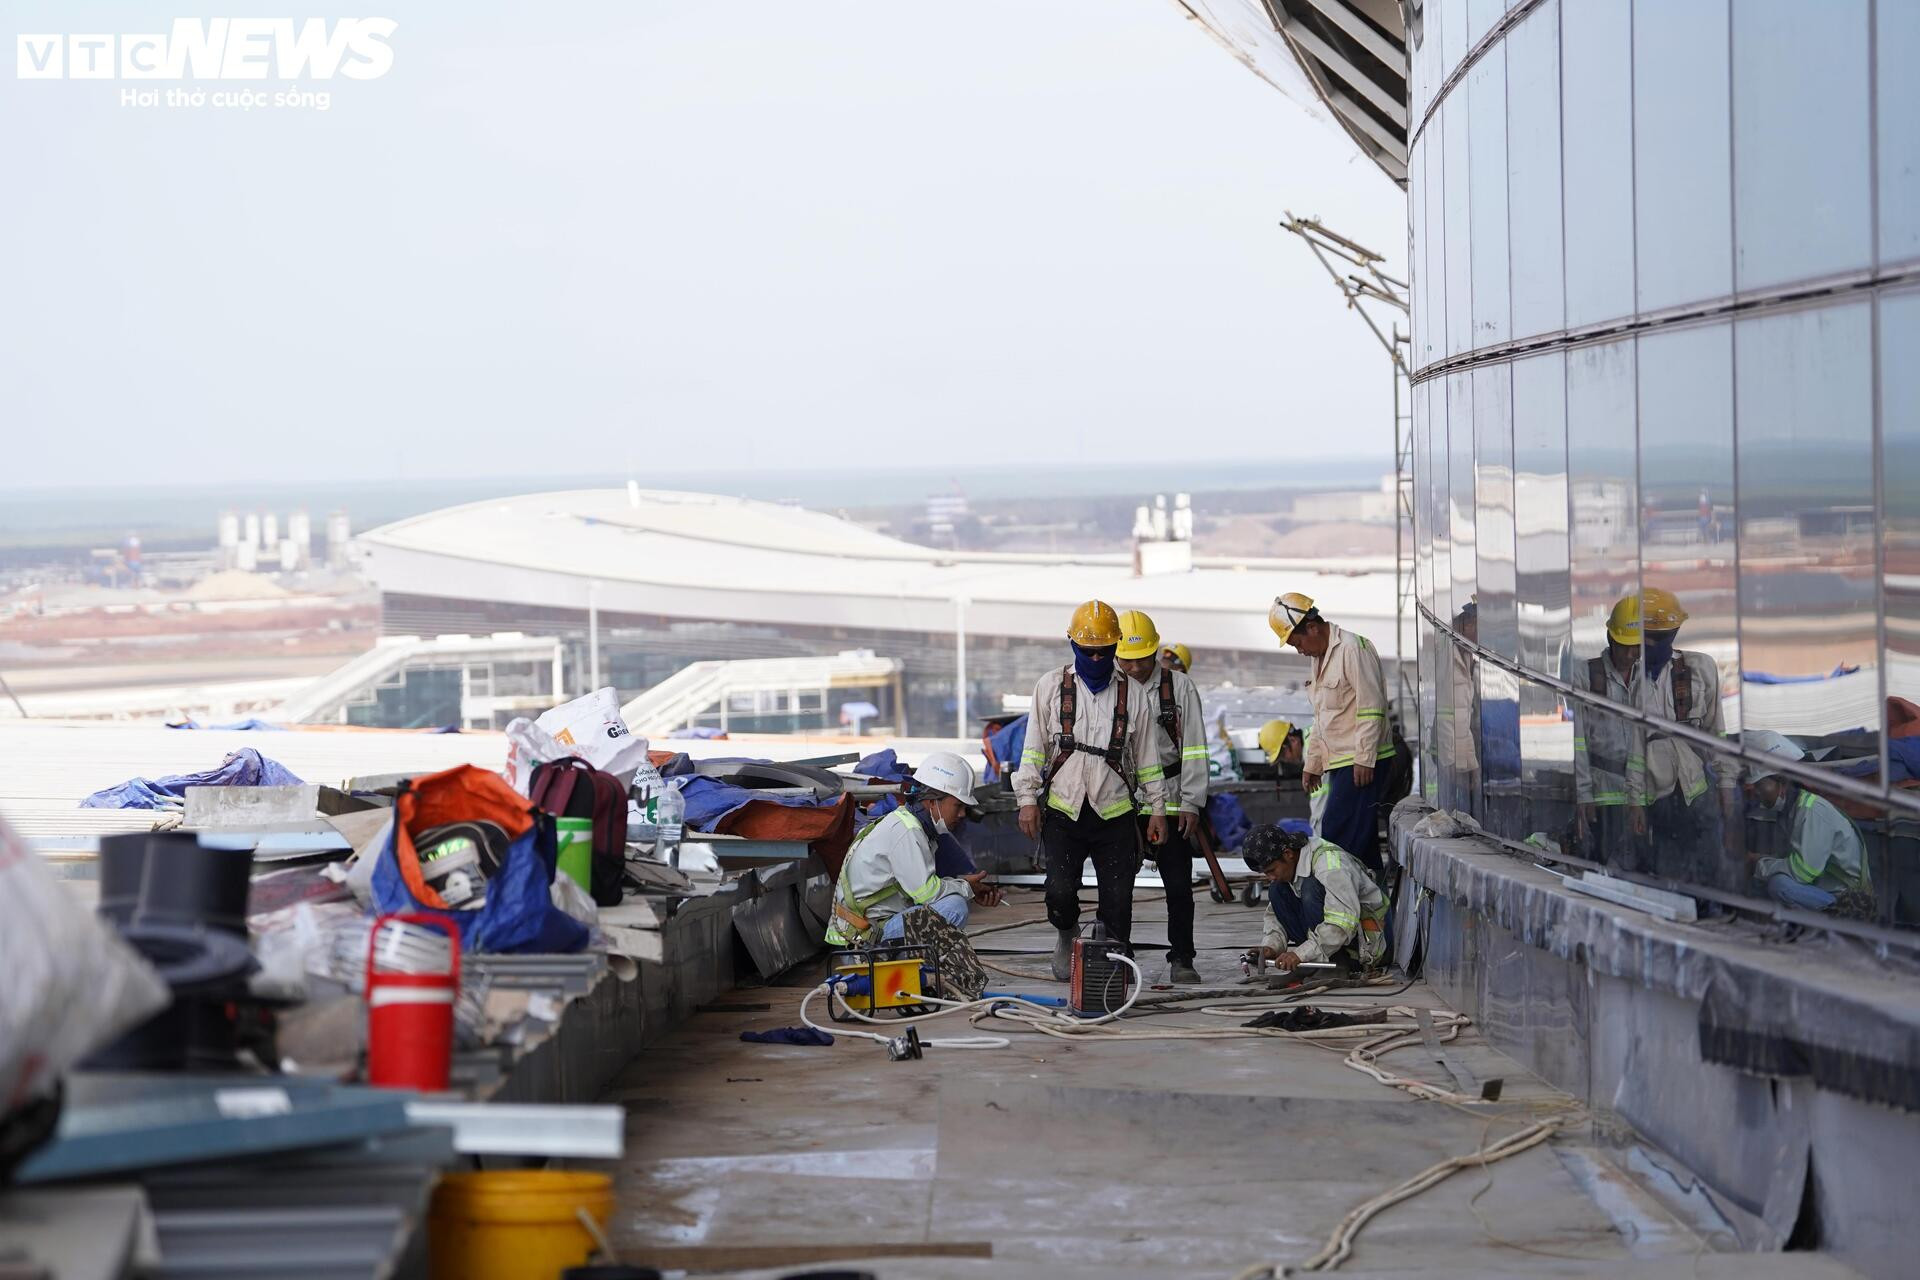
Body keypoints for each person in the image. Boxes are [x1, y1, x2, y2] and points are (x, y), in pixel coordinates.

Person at [1013, 599, 1170, 980]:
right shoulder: (1050, 687)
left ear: (1115, 648)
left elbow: (1147, 758)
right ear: (1073, 646)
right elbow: (1034, 748)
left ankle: (1112, 968)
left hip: (1114, 813)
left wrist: (1158, 809)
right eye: (1089, 652)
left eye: (1105, 652)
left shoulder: (1132, 695)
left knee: (1118, 901)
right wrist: (1027, 800)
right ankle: (1067, 934)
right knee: (1060, 892)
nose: (1097, 659)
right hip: (1064, 810)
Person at [1268, 592, 1396, 874]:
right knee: (1360, 842)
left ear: (1312, 627)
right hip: (1341, 761)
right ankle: (1375, 907)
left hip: (1361, 760)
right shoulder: (1321, 657)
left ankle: (1343, 904)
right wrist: (1313, 764)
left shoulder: (1352, 649)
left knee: (1339, 835)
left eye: (1297, 642)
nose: (1300, 650)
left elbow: (1371, 706)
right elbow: (1322, 718)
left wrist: (1364, 758)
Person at [1115, 608, 1208, 985]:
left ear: (1155, 652)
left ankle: (1182, 958)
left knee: (1178, 886)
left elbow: (1196, 748)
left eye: (1142, 660)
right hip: (1122, 800)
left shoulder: (1179, 688)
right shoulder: (1108, 686)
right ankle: (1118, 957)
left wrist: (1191, 802)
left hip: (1169, 799)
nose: (1135, 669)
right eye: (1127, 660)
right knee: (1116, 886)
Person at [1623, 590, 1740, 885]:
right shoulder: (1632, 682)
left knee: (1707, 868)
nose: (1652, 644)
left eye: (1660, 637)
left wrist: (1727, 792)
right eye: (1648, 637)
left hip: (1696, 790)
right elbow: (1635, 749)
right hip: (1658, 794)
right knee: (1668, 868)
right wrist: (1635, 802)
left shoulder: (1698, 670)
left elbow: (1717, 734)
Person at [826, 751, 997, 947]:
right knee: (955, 907)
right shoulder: (908, 832)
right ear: (933, 801)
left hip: (868, 927)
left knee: (954, 899)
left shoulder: (912, 826)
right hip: (864, 936)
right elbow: (927, 894)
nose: (962, 814)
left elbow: (921, 887)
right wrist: (967, 887)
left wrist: (965, 886)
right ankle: (899, 960)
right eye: (958, 805)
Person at [1745, 735, 1872, 913]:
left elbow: (1803, 872)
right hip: (1823, 887)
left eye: (1760, 786)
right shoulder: (1791, 811)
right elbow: (1790, 859)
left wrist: (1758, 864)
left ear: (1782, 782)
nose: (1757, 793)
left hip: (1847, 898)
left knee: (1779, 885)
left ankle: (1838, 917)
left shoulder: (1812, 810)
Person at [1240, 823, 1387, 973]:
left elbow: (1342, 925)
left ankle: (1339, 961)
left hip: (1366, 946)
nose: (1271, 877)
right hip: (1330, 944)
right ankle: (1318, 961)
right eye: (1266, 873)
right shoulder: (1290, 867)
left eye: (1272, 870)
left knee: (1310, 888)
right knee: (1277, 890)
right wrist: (1271, 947)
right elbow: (1276, 915)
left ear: (1288, 854)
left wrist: (1301, 954)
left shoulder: (1331, 866)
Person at [1573, 599, 1650, 869]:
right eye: (1625, 646)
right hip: (1604, 795)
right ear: (1610, 639)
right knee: (1605, 867)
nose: (1631, 655)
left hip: (1642, 794)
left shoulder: (1648, 677)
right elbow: (1578, 743)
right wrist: (1584, 795)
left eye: (1636, 647)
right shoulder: (1587, 676)